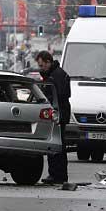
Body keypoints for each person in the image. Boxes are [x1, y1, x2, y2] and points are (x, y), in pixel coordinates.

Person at [37, 50, 72, 184]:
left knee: (56, 145)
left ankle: (57, 175)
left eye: (42, 65)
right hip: (59, 113)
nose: (41, 68)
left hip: (58, 114)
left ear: (48, 62)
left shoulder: (55, 75)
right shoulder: (56, 74)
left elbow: (59, 95)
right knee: (57, 145)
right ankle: (59, 175)